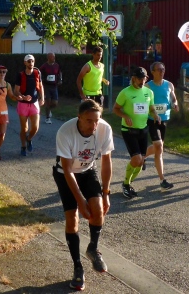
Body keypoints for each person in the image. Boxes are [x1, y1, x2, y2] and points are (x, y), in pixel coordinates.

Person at [53, 99, 114, 291]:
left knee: (98, 210)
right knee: (72, 219)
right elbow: (67, 169)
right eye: (89, 121)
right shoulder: (65, 131)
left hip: (88, 171)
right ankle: (77, 267)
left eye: (97, 120)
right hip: (65, 174)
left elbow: (106, 162)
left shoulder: (104, 129)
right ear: (79, 117)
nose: (94, 125)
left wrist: (106, 193)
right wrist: (80, 200)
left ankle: (93, 248)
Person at [112, 67, 161, 198]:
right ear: (133, 78)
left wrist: (155, 115)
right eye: (139, 79)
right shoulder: (125, 92)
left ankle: (128, 184)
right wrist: (125, 116)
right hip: (128, 130)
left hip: (143, 129)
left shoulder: (149, 92)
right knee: (136, 159)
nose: (142, 81)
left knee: (141, 161)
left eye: (144, 79)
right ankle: (125, 184)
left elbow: (151, 108)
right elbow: (116, 109)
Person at [143, 61, 178, 191]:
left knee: (158, 147)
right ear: (153, 72)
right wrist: (152, 112)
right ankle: (162, 180)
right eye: (159, 69)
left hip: (164, 120)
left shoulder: (169, 84)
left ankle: (142, 156)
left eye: (163, 69)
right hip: (152, 120)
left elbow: (173, 98)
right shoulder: (147, 86)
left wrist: (175, 104)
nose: (162, 71)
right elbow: (144, 102)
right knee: (159, 147)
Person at [14, 54, 44, 156]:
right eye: (29, 61)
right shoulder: (20, 75)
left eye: (32, 61)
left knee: (35, 128)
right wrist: (23, 96)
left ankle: (29, 138)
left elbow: (41, 86)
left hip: (34, 103)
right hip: (23, 104)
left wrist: (42, 98)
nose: (31, 63)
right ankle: (23, 146)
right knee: (24, 129)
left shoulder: (37, 73)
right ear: (25, 63)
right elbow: (16, 91)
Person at [40, 52, 62, 124]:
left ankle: (49, 110)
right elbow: (39, 74)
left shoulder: (56, 65)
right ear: (48, 58)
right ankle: (48, 118)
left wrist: (60, 80)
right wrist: (42, 81)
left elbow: (59, 73)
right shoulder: (44, 66)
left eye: (54, 56)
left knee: (55, 103)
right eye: (52, 57)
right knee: (48, 101)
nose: (54, 58)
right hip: (46, 86)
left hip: (54, 86)